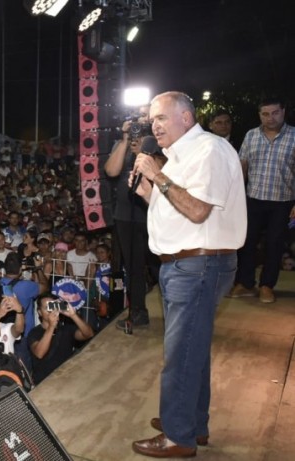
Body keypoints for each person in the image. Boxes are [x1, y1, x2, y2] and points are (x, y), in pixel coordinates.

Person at [129, 91, 246, 457]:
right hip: (185, 264)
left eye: (161, 117)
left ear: (185, 116)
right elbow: (176, 207)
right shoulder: (180, 155)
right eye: (152, 119)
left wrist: (157, 174)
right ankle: (192, 423)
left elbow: (197, 211)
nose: (154, 126)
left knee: (180, 354)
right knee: (192, 348)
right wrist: (149, 191)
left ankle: (178, 436)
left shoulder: (208, 150)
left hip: (199, 264)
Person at [229, 98, 295, 304]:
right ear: (259, 115)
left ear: (283, 111)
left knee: (274, 244)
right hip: (253, 199)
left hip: (282, 200)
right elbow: (242, 167)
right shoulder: (251, 135)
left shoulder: (293, 136)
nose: (270, 118)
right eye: (265, 114)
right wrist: (235, 196)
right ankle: (245, 284)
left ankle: (267, 285)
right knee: (247, 242)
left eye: (275, 113)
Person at [105, 108, 155, 327]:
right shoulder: (122, 144)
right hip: (126, 215)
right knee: (133, 266)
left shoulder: (156, 144)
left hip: (153, 213)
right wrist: (125, 139)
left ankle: (176, 311)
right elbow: (111, 171)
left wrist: (144, 149)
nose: (138, 126)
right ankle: (137, 312)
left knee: (158, 265)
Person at [27, 294, 94, 383]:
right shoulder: (34, 333)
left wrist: (73, 315)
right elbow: (39, 353)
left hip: (67, 379)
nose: (51, 311)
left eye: (53, 306)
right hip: (45, 382)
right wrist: (51, 326)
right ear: (39, 312)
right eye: (47, 308)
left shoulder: (66, 329)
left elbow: (89, 334)